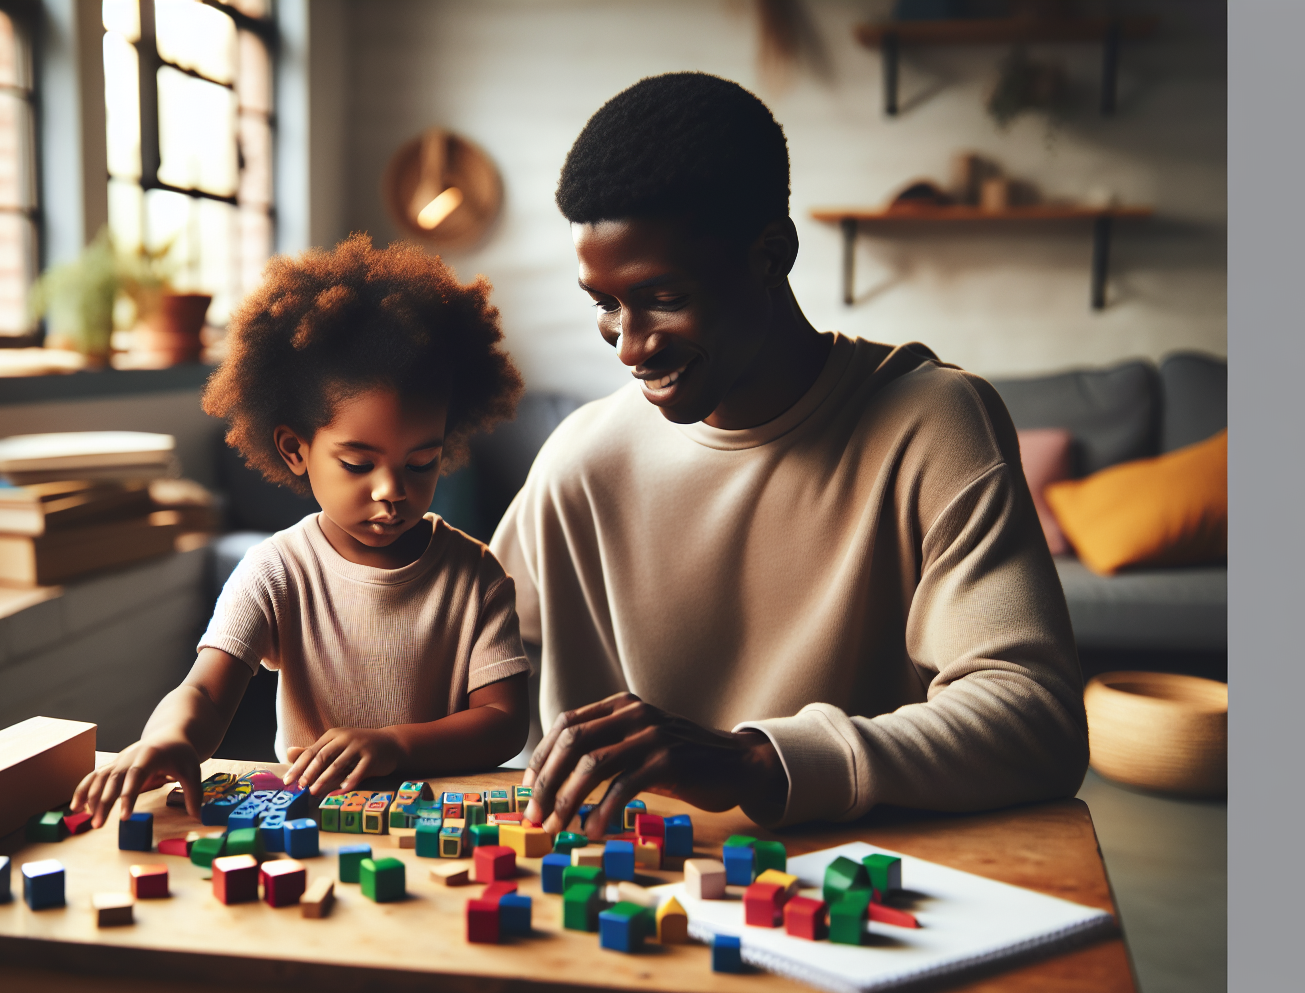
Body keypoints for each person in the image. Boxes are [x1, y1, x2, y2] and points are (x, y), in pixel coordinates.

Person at [495, 73, 1087, 837]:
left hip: (847, 903)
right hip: (607, 912)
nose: (630, 347)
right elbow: (453, 656)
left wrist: (752, 761)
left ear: (771, 255)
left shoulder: (934, 423)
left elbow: (1037, 721)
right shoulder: (580, 457)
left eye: (664, 297)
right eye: (606, 305)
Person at [76, 235, 530, 826]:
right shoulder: (276, 571)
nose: (392, 490)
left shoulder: (475, 575)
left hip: (435, 828)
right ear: (296, 450)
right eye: (358, 464)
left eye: (421, 463)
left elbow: (504, 721)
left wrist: (397, 744)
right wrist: (169, 738)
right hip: (309, 826)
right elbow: (207, 692)